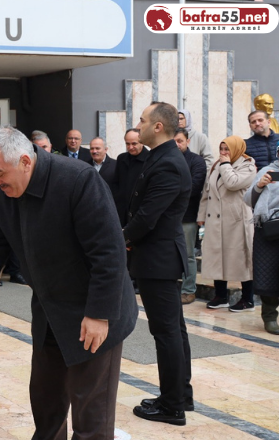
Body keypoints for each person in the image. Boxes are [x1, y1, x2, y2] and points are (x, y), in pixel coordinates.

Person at [0, 126, 137, 439]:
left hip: (92, 310)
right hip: (50, 309)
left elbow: (109, 253)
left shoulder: (78, 180)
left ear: (26, 161)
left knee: (90, 413)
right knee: (46, 400)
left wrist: (98, 314)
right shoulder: (1, 191)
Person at [125, 102, 193, 425]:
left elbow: (147, 217)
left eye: (141, 121)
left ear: (158, 127)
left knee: (166, 333)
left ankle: (172, 406)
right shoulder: (161, 157)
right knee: (173, 331)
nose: (136, 126)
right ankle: (181, 394)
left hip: (158, 259)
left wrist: (121, 239)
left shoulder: (168, 163)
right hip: (159, 258)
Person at [198, 136, 257, 311]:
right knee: (217, 257)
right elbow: (206, 191)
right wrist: (201, 216)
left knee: (241, 259)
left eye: (227, 149)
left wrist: (225, 165)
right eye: (221, 149)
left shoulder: (248, 166)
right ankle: (221, 295)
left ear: (237, 149)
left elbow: (233, 183)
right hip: (215, 220)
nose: (223, 153)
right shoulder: (216, 165)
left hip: (237, 221)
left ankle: (248, 299)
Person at [244, 153, 279, 335]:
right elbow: (248, 200)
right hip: (269, 230)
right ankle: (270, 316)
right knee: (268, 272)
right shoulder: (267, 171)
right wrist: (260, 185)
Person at [175, 129, 207, 305]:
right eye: (173, 141)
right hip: (167, 215)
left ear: (187, 141)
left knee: (188, 254)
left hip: (187, 215)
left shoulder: (197, 161)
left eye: (180, 141)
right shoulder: (166, 159)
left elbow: (194, 187)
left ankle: (188, 290)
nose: (176, 144)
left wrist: (171, 190)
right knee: (170, 254)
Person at [112, 129, 149, 226]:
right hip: (121, 209)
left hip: (139, 211)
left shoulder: (150, 159)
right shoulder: (121, 158)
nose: (130, 147)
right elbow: (116, 182)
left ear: (142, 142)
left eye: (134, 144)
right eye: (127, 144)